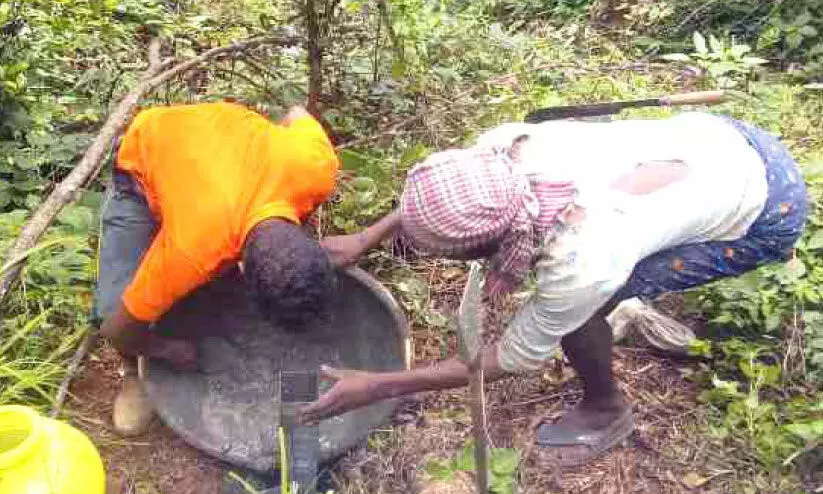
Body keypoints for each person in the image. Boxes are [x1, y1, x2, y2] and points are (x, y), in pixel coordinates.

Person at [303, 112, 807, 466]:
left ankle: (606, 409)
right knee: (596, 284)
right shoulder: (504, 150)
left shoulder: (582, 259)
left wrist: (380, 383)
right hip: (719, 141)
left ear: (485, 248)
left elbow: (514, 357)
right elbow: (437, 195)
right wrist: (367, 237)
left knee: (584, 313)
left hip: (764, 206)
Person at [96, 101, 340, 436]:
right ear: (239, 268)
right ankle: (135, 373)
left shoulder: (316, 168)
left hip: (215, 138)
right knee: (112, 306)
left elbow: (296, 113)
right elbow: (115, 329)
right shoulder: (190, 252)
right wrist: (166, 349)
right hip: (145, 154)